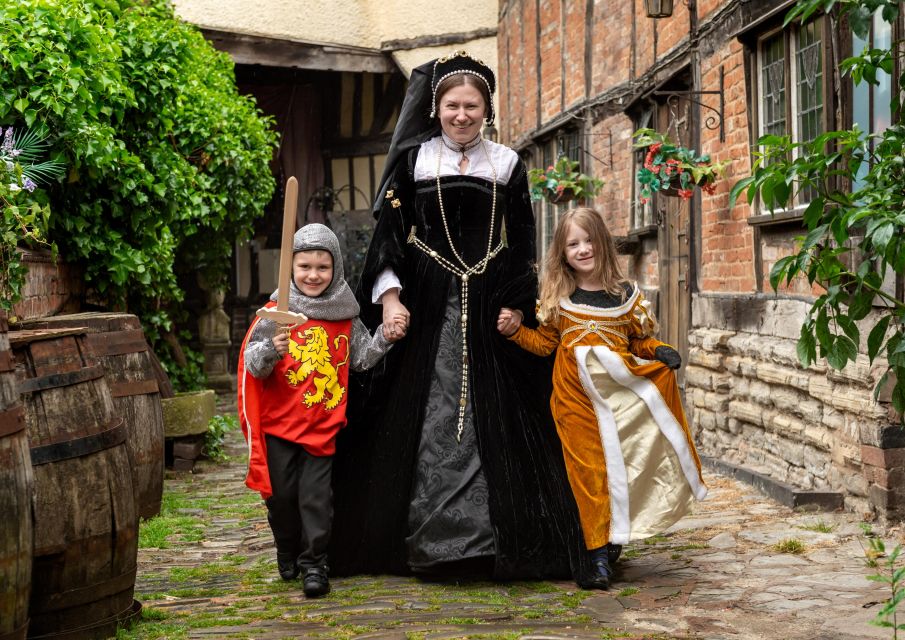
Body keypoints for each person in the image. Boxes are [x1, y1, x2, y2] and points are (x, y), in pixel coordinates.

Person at [329, 50, 595, 585]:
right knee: (423, 412)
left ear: (486, 108)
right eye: (452, 105)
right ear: (437, 106)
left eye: (472, 106)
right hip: (426, 301)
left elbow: (522, 244)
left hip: (491, 294)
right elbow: (388, 238)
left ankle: (491, 540)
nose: (462, 115)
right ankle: (424, 540)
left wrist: (517, 305)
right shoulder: (414, 162)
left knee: (498, 414)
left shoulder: (508, 165)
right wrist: (391, 298)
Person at [496, 207, 708, 589]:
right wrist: (515, 330)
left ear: (603, 243)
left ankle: (614, 539)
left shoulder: (625, 295)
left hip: (619, 398)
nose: (583, 249)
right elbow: (546, 345)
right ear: (562, 253)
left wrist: (658, 351)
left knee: (622, 469)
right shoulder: (558, 298)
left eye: (589, 240)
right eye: (573, 244)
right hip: (573, 400)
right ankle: (595, 557)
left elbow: (637, 341)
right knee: (588, 472)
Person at [238, 223, 402, 597]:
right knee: (281, 497)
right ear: (291, 269)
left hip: (322, 426)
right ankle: (286, 545)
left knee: (316, 500)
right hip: (280, 425)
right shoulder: (274, 313)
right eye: (304, 267)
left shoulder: (344, 314)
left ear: (336, 268)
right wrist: (271, 350)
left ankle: (314, 564)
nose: (313, 275)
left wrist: (385, 337)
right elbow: (253, 365)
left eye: (322, 267)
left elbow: (359, 359)